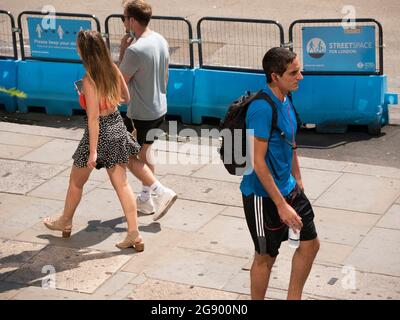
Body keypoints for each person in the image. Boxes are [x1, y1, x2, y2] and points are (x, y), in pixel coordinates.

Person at [42, 30, 168, 250]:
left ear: (85, 51)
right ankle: (134, 234)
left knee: (76, 182)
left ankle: (66, 221)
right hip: (116, 126)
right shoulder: (113, 69)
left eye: (78, 47)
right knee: (123, 185)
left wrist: (93, 152)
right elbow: (126, 98)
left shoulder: (89, 80)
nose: (76, 49)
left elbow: (92, 119)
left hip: (99, 132)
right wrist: (110, 100)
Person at [241, 47, 320, 300]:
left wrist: (297, 178)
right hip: (262, 196)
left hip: (288, 188)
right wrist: (281, 205)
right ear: (275, 76)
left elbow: (290, 140)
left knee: (310, 244)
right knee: (266, 257)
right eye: (294, 72)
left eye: (300, 70)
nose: (301, 77)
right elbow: (257, 161)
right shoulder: (261, 109)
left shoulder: (287, 98)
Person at [118, 0, 172, 217]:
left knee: (128, 157)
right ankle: (145, 198)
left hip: (140, 112)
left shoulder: (135, 50)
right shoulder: (160, 40)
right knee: (146, 152)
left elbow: (120, 82)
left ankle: (160, 191)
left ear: (132, 20)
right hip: (159, 107)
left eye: (123, 18)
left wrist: (123, 50)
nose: (123, 22)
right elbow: (165, 74)